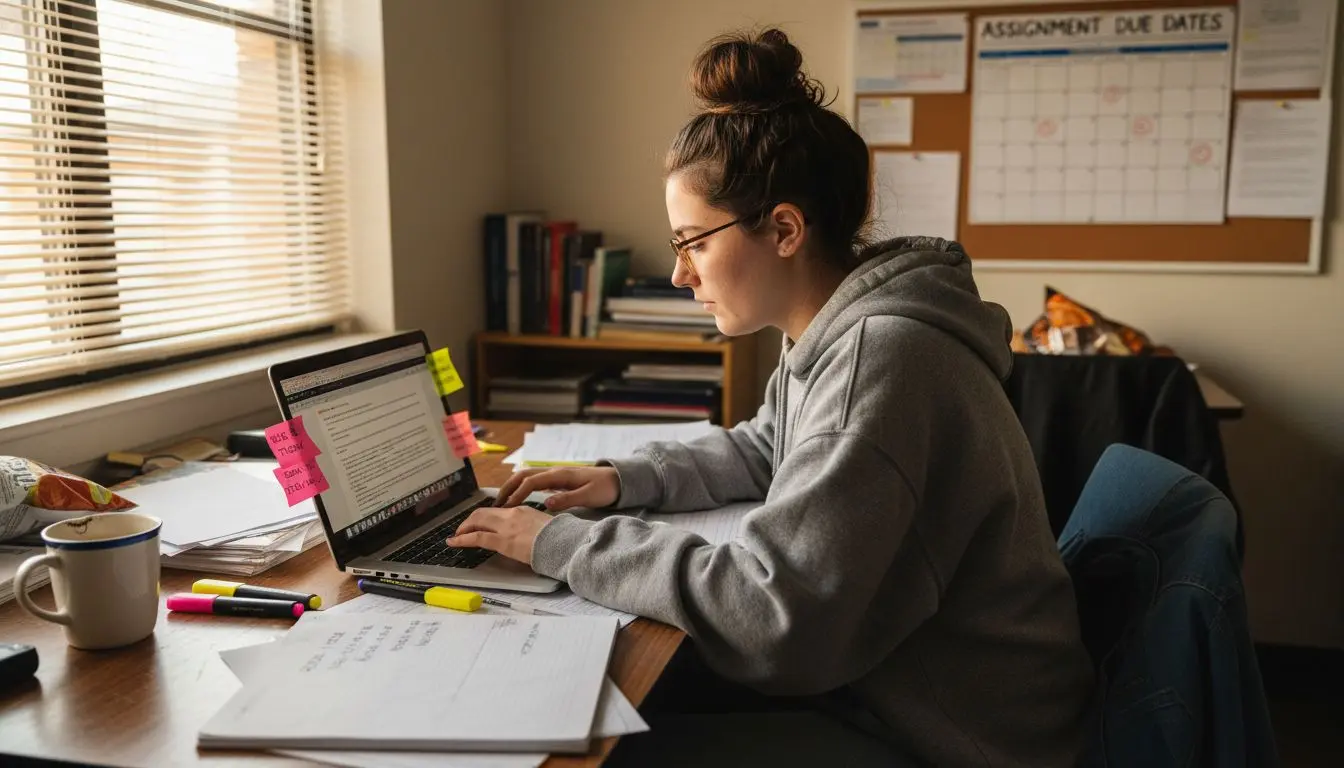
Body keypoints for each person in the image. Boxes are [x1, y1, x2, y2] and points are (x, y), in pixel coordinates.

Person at [449, 27, 1095, 767]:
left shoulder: (881, 359)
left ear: (784, 229)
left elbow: (771, 615)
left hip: (961, 738)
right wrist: (627, 480)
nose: (679, 273)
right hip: (891, 683)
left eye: (693, 241)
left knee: (607, 744)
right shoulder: (842, 326)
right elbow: (770, 446)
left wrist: (559, 544)